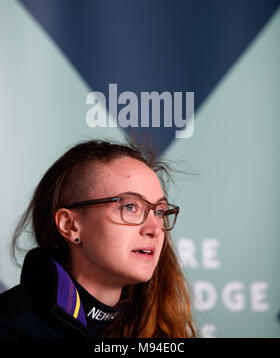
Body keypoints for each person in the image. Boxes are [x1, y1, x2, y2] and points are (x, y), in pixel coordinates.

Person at [0, 139, 196, 338]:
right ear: (70, 226)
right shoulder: (11, 325)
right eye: (130, 206)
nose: (155, 228)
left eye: (160, 212)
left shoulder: (161, 330)